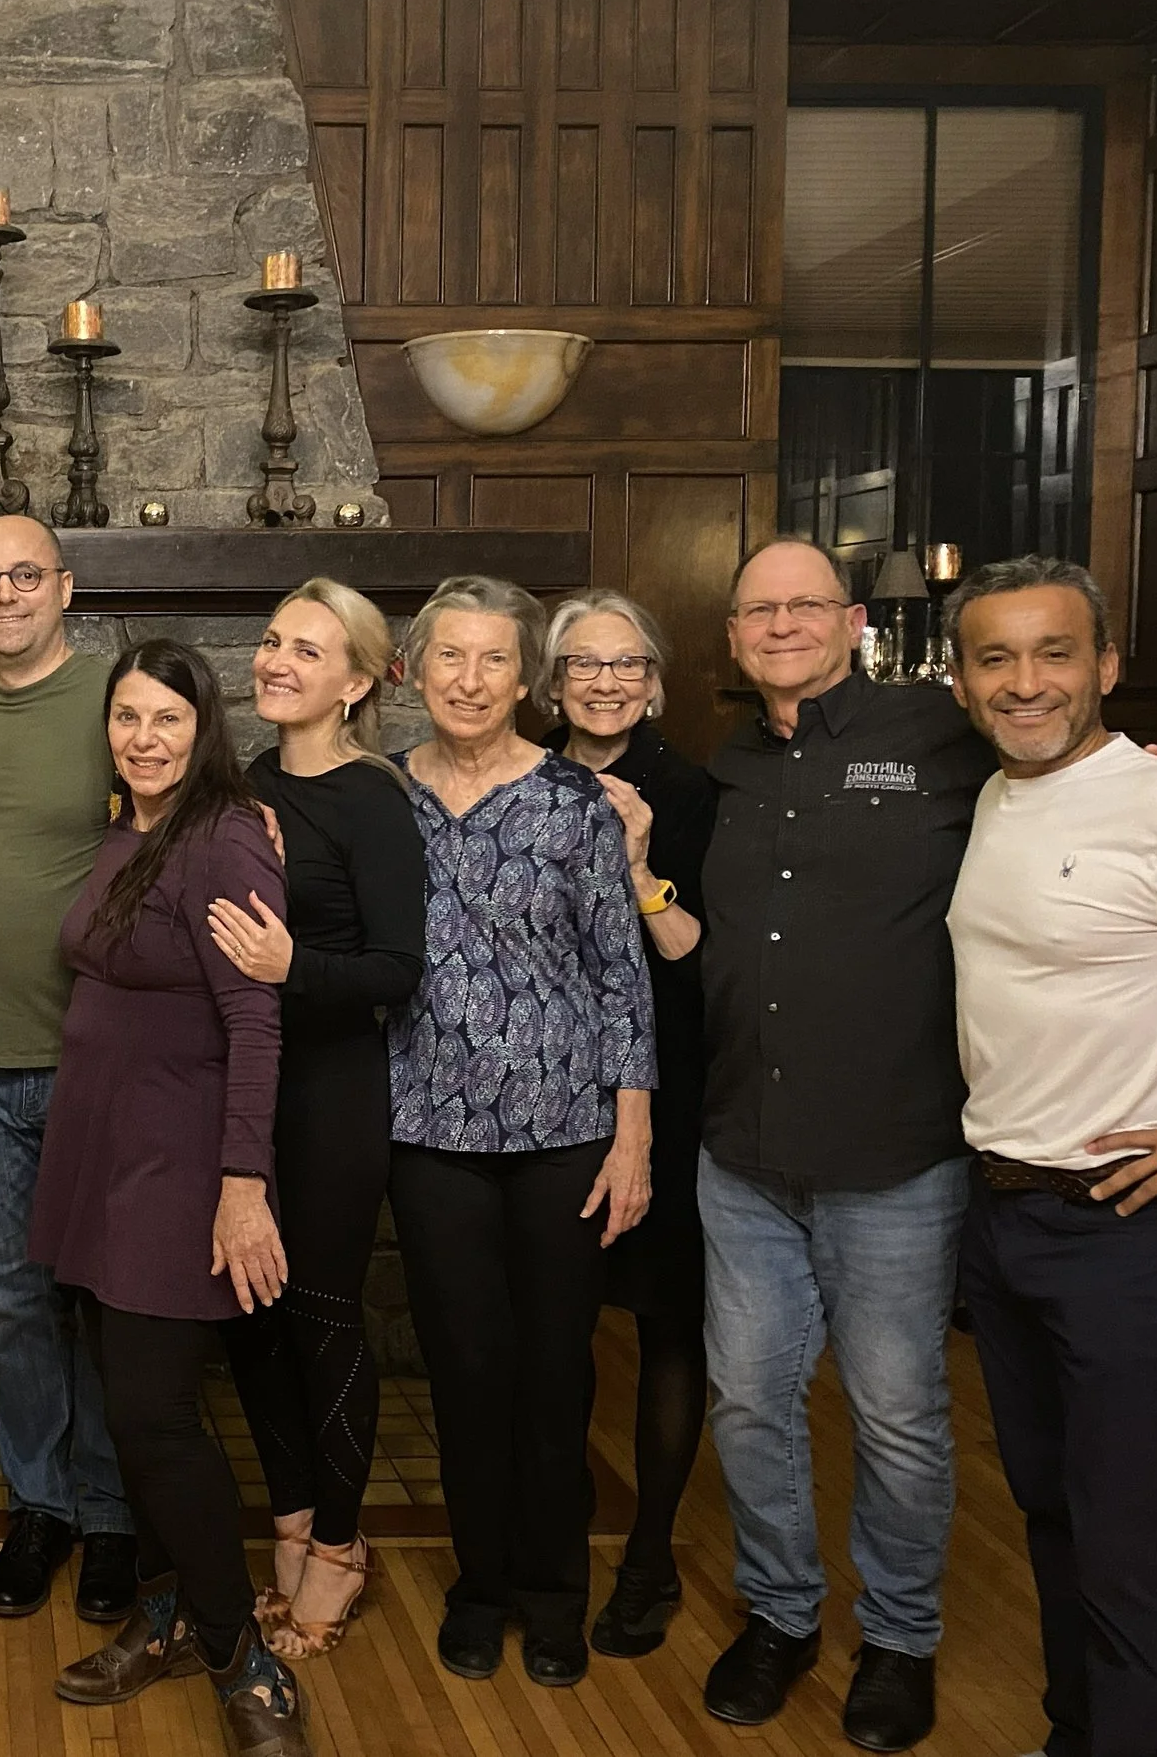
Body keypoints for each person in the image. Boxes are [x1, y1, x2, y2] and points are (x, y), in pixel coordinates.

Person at [943, 557, 1157, 1757]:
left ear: (1106, 667)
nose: (1025, 684)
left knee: (1127, 1536)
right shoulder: (995, 798)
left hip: (1136, 1231)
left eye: (1054, 654)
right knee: (1052, 1512)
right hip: (1008, 1216)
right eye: (996, 659)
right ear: (962, 680)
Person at [695, 536, 990, 1750]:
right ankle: (778, 1614)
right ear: (730, 634)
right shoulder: (723, 766)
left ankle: (901, 1639)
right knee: (749, 1403)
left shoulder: (940, 739)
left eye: (803, 605)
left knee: (897, 1412)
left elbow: (1064, 766)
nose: (779, 625)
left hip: (895, 1156)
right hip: (743, 1152)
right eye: (757, 610)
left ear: (852, 619)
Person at [32, 638, 311, 1757]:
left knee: (154, 1416)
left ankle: (241, 1652)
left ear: (205, 732)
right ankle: (163, 1613)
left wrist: (243, 1187)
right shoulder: (129, 832)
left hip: (178, 1160)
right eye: (127, 717)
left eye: (166, 721)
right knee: (127, 1411)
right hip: (101, 1152)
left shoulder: (228, 837)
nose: (143, 739)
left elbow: (255, 1022)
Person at [386, 575, 655, 1690]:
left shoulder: (572, 804)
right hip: (427, 1133)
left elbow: (618, 973)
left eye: (494, 659)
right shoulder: (375, 796)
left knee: (553, 1379)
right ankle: (478, 1586)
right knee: (463, 1375)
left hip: (563, 1139)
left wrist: (630, 1134)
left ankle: (551, 1594)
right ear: (411, 669)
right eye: (449, 656)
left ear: (522, 678)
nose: (469, 678)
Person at [207, 579, 424, 1660]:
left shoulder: (371, 798)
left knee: (323, 1316)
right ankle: (289, 1515)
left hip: (334, 1092)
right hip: (238, 1091)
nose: (279, 661)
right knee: (250, 1318)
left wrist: (296, 967)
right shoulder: (237, 787)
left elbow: (398, 967)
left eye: (308, 649)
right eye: (272, 642)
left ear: (354, 682)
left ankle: (339, 1543)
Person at [0, 514, 136, 1624]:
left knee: (100, 1301)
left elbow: (182, 806)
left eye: (24, 575)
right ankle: (40, 1506)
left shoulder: (112, 696)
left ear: (64, 586)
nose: (4, 594)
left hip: (89, 1063)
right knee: (9, 1306)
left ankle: (110, 1515)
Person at [535, 589, 718, 1659]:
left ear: (651, 681)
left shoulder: (694, 791)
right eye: (584, 665)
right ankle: (550, 1544)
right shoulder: (517, 775)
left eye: (626, 664)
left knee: (665, 1325)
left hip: (671, 1087)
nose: (605, 682)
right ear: (552, 682)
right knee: (557, 1333)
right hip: (548, 1098)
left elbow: (697, 963)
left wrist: (641, 868)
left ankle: (648, 1556)